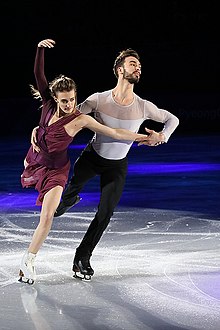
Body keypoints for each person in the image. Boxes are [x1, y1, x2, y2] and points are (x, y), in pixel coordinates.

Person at [31, 44, 179, 281]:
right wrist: (39, 128)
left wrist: (162, 136)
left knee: (105, 213)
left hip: (117, 165)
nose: (138, 68)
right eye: (133, 64)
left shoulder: (143, 106)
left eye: (139, 65)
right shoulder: (98, 100)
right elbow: (66, 119)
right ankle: (67, 200)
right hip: (92, 157)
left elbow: (173, 119)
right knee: (63, 200)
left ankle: (82, 257)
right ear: (119, 70)